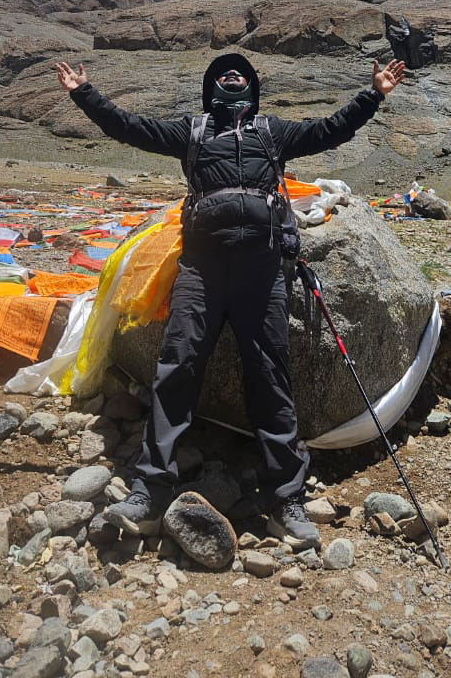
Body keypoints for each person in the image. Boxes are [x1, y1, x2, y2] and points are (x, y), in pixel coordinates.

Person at [54, 51, 405, 545]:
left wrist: (375, 94)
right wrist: (84, 94)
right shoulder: (191, 132)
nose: (231, 75)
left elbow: (332, 129)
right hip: (201, 270)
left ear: (253, 87)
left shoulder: (273, 132)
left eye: (240, 72)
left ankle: (284, 498)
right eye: (221, 72)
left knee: (270, 375)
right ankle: (150, 492)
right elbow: (129, 127)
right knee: (176, 368)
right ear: (210, 87)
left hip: (262, 272)